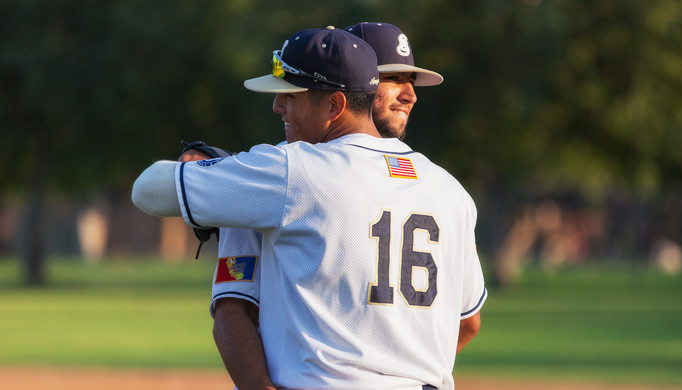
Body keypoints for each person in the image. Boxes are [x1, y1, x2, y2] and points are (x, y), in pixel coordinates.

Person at [132, 26, 487, 390]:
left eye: (291, 94)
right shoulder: (450, 189)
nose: (277, 105)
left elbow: (147, 190)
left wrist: (226, 171)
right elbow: (468, 322)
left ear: (335, 104)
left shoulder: (287, 171)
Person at [206, 22, 448, 385]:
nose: (410, 95)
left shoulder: (440, 187)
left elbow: (467, 320)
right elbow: (232, 308)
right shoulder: (272, 177)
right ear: (352, 86)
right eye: (391, 78)